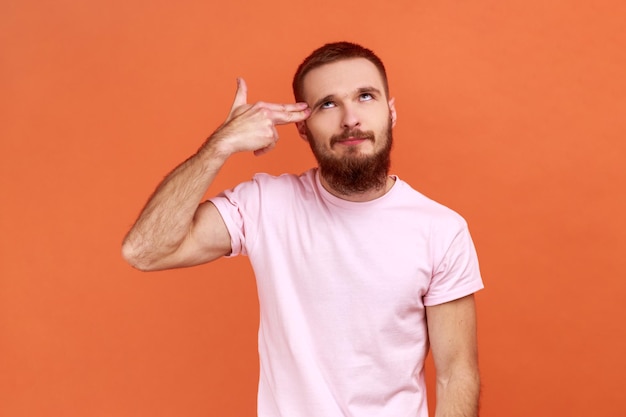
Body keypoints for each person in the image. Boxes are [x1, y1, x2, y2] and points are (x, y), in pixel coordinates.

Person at [122, 41, 484, 417]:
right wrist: (220, 146)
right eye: (328, 103)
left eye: (365, 96)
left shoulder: (441, 230)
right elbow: (145, 251)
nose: (350, 119)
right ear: (302, 126)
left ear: (390, 111)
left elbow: (456, 373)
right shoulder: (265, 205)